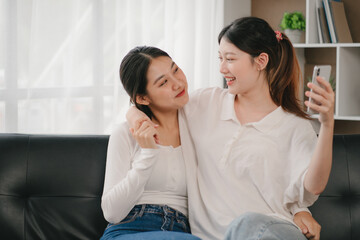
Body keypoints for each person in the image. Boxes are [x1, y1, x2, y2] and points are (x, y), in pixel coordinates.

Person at [126, 17, 334, 240]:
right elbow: (156, 103)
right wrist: (133, 112)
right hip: (213, 236)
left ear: (261, 61)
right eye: (220, 58)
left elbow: (313, 188)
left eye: (230, 59)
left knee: (246, 224)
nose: (222, 68)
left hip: (270, 231)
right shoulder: (204, 103)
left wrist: (327, 124)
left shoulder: (293, 124)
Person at [100, 46, 201, 240]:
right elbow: (111, 212)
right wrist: (148, 154)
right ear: (142, 98)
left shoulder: (198, 126)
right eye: (163, 82)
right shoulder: (126, 133)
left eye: (175, 70)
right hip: (130, 228)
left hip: (181, 230)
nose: (178, 83)